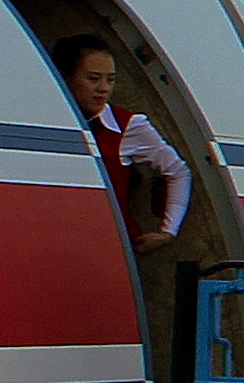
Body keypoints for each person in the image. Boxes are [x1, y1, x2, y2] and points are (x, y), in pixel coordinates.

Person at [53, 36, 190, 244]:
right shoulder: (50, 122)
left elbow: (179, 172)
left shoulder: (127, 125)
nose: (103, 88)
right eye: (93, 78)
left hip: (112, 246)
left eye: (111, 79)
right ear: (64, 77)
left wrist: (168, 232)